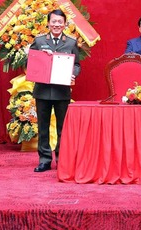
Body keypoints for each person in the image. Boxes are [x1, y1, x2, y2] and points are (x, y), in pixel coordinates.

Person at [28, 9, 81, 172]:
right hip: (42, 91)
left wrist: (73, 74)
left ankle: (61, 159)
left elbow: (77, 65)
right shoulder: (39, 41)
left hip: (61, 91)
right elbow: (30, 61)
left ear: (65, 24)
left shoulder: (71, 42)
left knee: (62, 127)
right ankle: (44, 160)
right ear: (48, 23)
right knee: (43, 127)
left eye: (60, 22)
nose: (56, 25)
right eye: (54, 21)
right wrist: (41, 58)